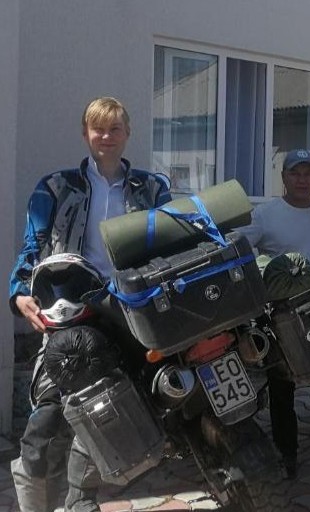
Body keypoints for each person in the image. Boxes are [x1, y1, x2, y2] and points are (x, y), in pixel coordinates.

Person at [8, 97, 171, 512]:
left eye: (114, 128)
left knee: (109, 404)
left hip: (127, 309)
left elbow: (173, 244)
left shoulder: (152, 188)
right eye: (98, 128)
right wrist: (19, 292)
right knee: (47, 413)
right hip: (68, 309)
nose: (106, 136)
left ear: (127, 134)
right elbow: (34, 245)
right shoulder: (56, 187)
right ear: (85, 134)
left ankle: (81, 499)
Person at [242, 148, 310, 477]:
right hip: (281, 321)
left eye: (308, 173)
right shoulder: (266, 214)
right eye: (295, 173)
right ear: (283, 178)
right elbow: (241, 244)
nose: (302, 179)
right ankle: (287, 456)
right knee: (282, 391)